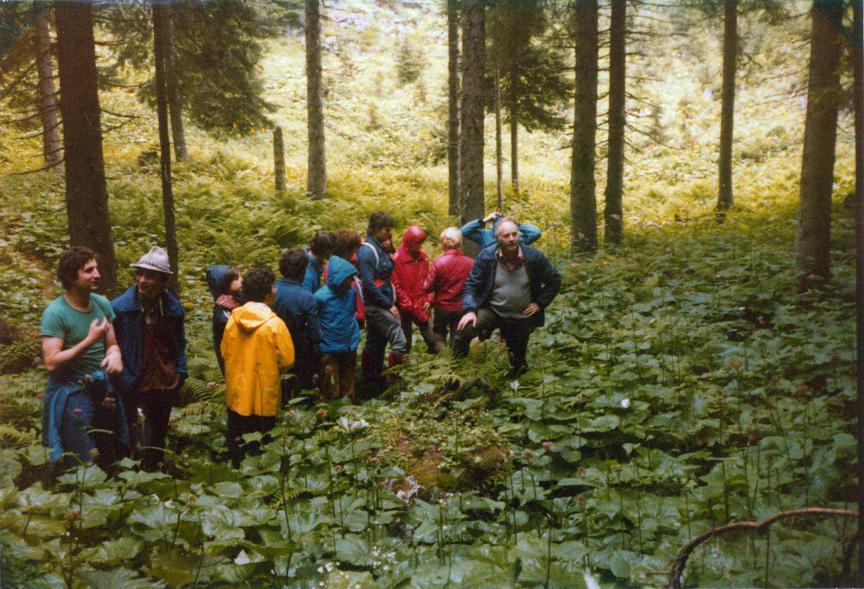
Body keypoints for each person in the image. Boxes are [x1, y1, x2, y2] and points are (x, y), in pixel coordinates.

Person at [40, 246, 128, 469]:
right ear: (71, 277)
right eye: (89, 271)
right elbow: (51, 362)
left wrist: (115, 355)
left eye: (96, 268)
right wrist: (89, 340)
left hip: (102, 388)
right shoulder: (55, 313)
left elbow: (112, 344)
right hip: (73, 392)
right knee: (82, 454)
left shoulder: (102, 304)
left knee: (109, 446)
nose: (97, 274)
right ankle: (80, 495)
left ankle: (112, 494)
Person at [112, 246, 187, 472]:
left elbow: (179, 343)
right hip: (133, 380)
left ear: (162, 280)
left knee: (158, 429)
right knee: (130, 431)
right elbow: (110, 346)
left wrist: (180, 372)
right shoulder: (120, 308)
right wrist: (123, 379)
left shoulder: (173, 308)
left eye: (150, 276)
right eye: (140, 274)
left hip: (163, 380)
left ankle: (155, 471)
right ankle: (131, 474)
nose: (142, 280)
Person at [455, 218, 561, 378]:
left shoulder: (533, 257)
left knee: (517, 360)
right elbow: (472, 284)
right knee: (464, 330)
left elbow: (554, 280)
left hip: (522, 314)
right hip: (493, 310)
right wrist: (469, 310)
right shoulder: (487, 256)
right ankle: (456, 374)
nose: (511, 239)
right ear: (498, 238)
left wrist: (540, 303)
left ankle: (515, 386)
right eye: (506, 236)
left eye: (514, 234)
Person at [221, 268, 294, 467]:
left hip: (237, 396)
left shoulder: (232, 320)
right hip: (264, 397)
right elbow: (288, 360)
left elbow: (225, 352)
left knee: (238, 446)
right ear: (266, 292)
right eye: (273, 286)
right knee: (262, 448)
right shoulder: (275, 325)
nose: (276, 290)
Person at [356, 211, 408, 395]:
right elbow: (369, 284)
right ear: (377, 229)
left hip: (380, 303)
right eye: (386, 229)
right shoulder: (367, 251)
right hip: (376, 306)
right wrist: (388, 304)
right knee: (399, 340)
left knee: (375, 343)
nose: (389, 233)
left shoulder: (379, 247)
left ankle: (372, 383)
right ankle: (395, 385)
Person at [274, 249, 321, 395]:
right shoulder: (307, 298)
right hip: (299, 353)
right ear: (304, 271)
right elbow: (316, 335)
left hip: (272, 349)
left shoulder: (271, 290)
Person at [315, 255, 361, 400]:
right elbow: (315, 321)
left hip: (348, 344)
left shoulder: (351, 292)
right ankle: (330, 414)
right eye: (349, 278)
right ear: (339, 278)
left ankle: (348, 411)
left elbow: (351, 312)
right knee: (331, 384)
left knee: (348, 384)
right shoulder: (320, 297)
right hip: (329, 346)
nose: (352, 281)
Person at [423, 227, 474, 350]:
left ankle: (443, 360)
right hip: (461, 306)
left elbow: (427, 287)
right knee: (456, 336)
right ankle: (455, 364)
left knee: (439, 334)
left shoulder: (438, 263)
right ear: (460, 242)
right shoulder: (471, 262)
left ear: (443, 244)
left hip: (442, 307)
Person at [392, 225, 437, 354]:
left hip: (422, 304)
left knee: (433, 338)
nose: (420, 246)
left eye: (421, 243)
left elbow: (429, 280)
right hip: (404, 307)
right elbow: (396, 285)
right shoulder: (397, 259)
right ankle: (403, 369)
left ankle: (438, 369)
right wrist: (409, 305)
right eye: (418, 243)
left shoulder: (422, 256)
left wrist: (429, 300)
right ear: (410, 242)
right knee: (405, 343)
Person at [205, 265, 242, 375]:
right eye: (236, 278)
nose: (242, 280)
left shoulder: (236, 302)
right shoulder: (223, 316)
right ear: (224, 284)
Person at [327, 229, 365, 328]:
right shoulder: (337, 271)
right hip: (346, 325)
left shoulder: (346, 266)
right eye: (355, 250)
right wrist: (358, 317)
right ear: (348, 250)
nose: (356, 253)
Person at [460, 211, 542, 249]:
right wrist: (484, 220)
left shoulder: (515, 237)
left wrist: (513, 224)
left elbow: (536, 233)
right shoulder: (485, 235)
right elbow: (463, 231)